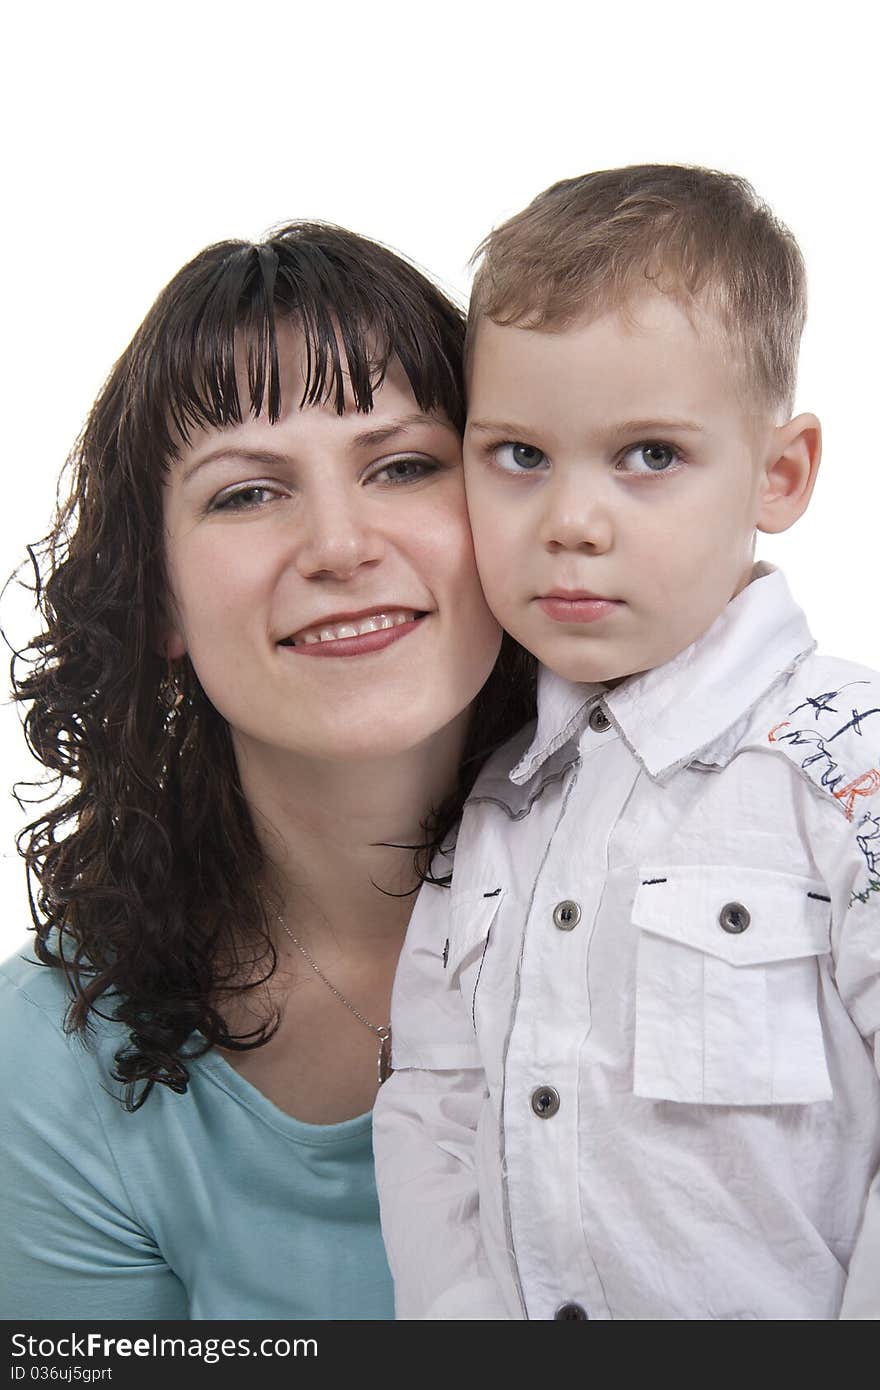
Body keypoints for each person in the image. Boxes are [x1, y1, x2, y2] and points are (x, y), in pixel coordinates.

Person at [0, 223, 534, 1320]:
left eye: (402, 465)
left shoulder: (772, 881)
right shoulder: (51, 1055)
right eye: (246, 493)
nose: (339, 545)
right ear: (156, 600)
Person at [374, 165, 880, 1320]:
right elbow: (433, 1113)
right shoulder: (490, 807)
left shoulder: (845, 770)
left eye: (649, 454)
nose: (572, 521)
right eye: (519, 456)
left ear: (780, 471)